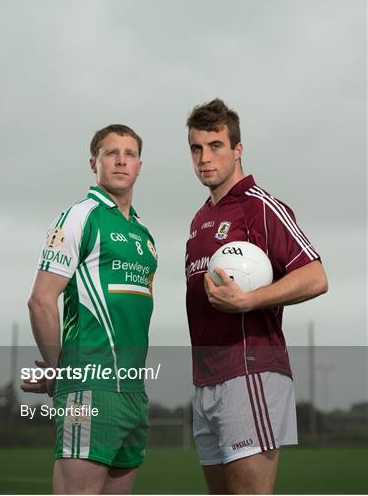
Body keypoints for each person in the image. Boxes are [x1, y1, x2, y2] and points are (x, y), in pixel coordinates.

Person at [185, 99, 328, 494]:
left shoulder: (261, 207)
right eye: (196, 148)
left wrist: (251, 300)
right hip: (207, 381)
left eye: (215, 145)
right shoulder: (200, 220)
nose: (204, 157)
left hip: (250, 375)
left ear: (237, 150)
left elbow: (316, 275)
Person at [23, 124, 157, 494]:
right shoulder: (80, 217)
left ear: (140, 166)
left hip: (133, 395)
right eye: (111, 153)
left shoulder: (145, 236)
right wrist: (55, 369)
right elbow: (40, 300)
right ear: (93, 163)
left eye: (129, 154)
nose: (120, 160)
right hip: (89, 387)